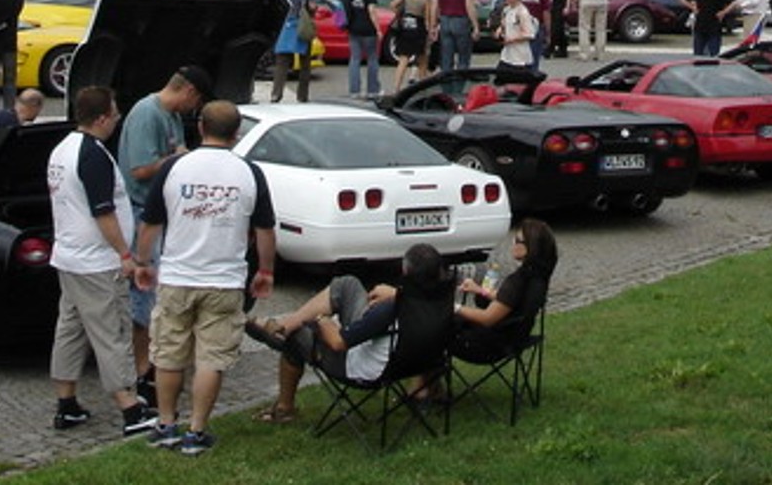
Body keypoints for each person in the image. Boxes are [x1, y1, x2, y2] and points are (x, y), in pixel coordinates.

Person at [135, 99, 276, 456]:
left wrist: (143, 263)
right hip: (224, 280)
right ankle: (196, 431)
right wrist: (265, 270)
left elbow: (151, 222)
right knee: (212, 357)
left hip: (178, 275)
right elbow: (264, 229)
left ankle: (166, 424)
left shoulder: (175, 168)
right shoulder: (249, 173)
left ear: (200, 128)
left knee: (168, 352)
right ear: (236, 134)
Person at [45, 85, 157, 437]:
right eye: (115, 112)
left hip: (68, 257)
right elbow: (103, 212)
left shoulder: (61, 150)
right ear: (102, 118)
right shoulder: (93, 156)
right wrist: (126, 255)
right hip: (96, 262)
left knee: (71, 330)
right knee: (113, 332)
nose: (119, 118)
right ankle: (130, 408)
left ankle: (67, 404)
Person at [248, 242, 449, 425]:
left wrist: (321, 321)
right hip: (408, 364)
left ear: (405, 271)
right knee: (347, 284)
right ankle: (282, 327)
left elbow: (337, 343)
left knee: (298, 336)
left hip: (359, 368)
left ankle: (284, 408)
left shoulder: (389, 309)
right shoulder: (444, 305)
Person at [117, 65, 211, 392]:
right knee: (145, 294)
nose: (193, 110)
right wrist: (177, 158)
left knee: (164, 292)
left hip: (165, 212)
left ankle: (161, 363)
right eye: (195, 102)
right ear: (188, 92)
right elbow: (141, 169)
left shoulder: (171, 117)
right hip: (142, 211)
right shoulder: (147, 114)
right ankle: (144, 372)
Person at [452, 219, 558, 362]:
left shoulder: (518, 280)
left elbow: (487, 318)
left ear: (530, 247)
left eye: (517, 240)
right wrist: (480, 290)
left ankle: (427, 382)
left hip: (488, 346)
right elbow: (510, 301)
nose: (513, 243)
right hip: (516, 339)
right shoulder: (539, 276)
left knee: (436, 326)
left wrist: (454, 307)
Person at [270, 0, 321, 102]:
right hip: (302, 25)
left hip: (285, 25)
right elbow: (312, 6)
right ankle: (302, 96)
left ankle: (276, 94)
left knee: (282, 62)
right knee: (305, 62)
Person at [340, 0, 384, 99]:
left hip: (354, 28)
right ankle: (372, 90)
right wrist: (378, 29)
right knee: (372, 59)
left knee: (355, 59)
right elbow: (371, 10)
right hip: (368, 29)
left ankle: (354, 91)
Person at [431, 0, 481, 72]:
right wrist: (475, 25)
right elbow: (469, 3)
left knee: (446, 57)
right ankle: (460, 85)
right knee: (463, 57)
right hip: (461, 19)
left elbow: (434, 3)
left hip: (445, 20)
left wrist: (433, 25)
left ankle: (447, 85)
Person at [390, 0, 432, 93]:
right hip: (419, 29)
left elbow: (392, 4)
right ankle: (423, 87)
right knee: (422, 60)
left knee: (403, 59)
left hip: (405, 27)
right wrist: (429, 34)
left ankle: (396, 87)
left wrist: (399, 14)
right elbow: (427, 18)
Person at [495, 0, 538, 78]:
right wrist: (499, 30)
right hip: (507, 55)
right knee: (500, 80)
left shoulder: (522, 12)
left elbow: (529, 34)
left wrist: (511, 39)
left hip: (520, 57)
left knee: (517, 84)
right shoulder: (507, 9)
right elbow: (504, 24)